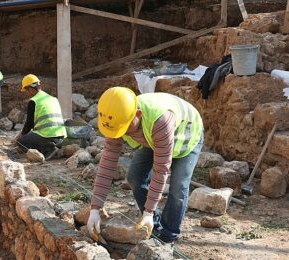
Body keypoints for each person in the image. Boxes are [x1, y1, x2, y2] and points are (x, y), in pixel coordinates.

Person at [87, 86, 204, 247]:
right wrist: (95, 208)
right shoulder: (116, 119)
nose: (123, 134)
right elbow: (107, 164)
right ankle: (153, 225)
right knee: (135, 177)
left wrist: (148, 210)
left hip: (186, 135)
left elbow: (161, 169)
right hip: (153, 138)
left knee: (178, 187)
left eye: (125, 128)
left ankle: (168, 236)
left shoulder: (160, 120)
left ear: (138, 114)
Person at [14, 74, 67, 160]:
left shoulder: (34, 101)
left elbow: (29, 124)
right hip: (60, 137)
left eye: (26, 90)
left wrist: (21, 136)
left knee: (21, 142)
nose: (27, 93)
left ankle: (49, 148)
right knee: (33, 137)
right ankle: (53, 146)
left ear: (30, 88)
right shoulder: (53, 98)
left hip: (47, 135)